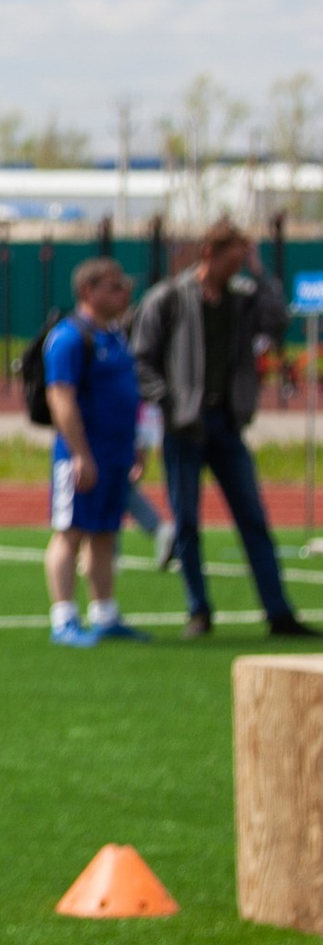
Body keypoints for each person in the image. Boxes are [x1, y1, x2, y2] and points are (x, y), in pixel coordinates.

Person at [132, 223, 315, 643]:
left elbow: (278, 321)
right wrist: (169, 403)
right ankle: (199, 610)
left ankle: (279, 612)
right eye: (234, 258)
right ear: (210, 251)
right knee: (187, 522)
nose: (238, 267)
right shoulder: (170, 297)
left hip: (227, 424)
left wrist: (260, 272)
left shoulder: (244, 298)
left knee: (254, 519)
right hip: (184, 427)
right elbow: (141, 359)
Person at [42, 255, 145, 647]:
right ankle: (64, 617)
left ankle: (105, 613)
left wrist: (135, 444)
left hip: (116, 451)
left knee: (105, 532)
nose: (124, 294)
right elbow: (61, 399)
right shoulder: (70, 337)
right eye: (114, 287)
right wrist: (80, 452)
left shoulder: (115, 335)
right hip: (84, 453)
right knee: (70, 532)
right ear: (89, 291)